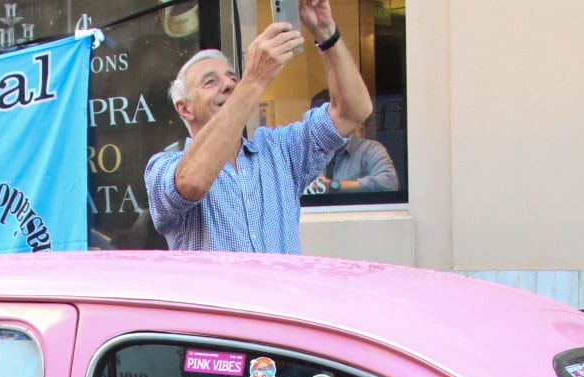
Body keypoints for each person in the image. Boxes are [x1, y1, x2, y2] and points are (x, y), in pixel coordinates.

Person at [144, 0, 371, 254]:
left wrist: (326, 31)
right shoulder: (163, 168)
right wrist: (253, 79)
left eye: (233, 78)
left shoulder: (280, 150)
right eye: (210, 82)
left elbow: (352, 113)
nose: (229, 85)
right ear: (184, 109)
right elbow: (192, 182)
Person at [304, 90, 397, 196]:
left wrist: (332, 186)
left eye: (330, 119)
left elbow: (389, 183)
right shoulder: (303, 153)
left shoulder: (369, 149)